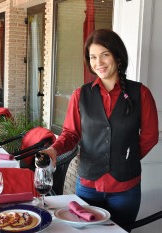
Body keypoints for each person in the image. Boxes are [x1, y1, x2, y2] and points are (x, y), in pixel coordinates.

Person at [41, 29, 159, 231]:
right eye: (93, 57)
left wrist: (126, 158)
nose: (99, 62)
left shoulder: (141, 93)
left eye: (105, 54)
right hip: (88, 186)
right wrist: (54, 149)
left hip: (126, 189)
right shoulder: (81, 95)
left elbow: (150, 136)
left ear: (118, 56)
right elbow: (71, 134)